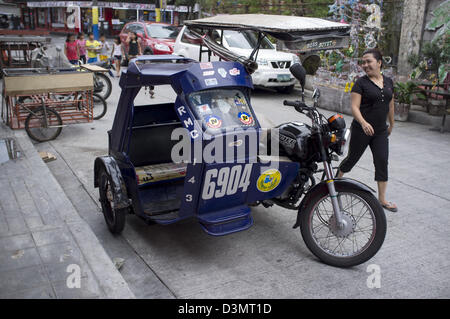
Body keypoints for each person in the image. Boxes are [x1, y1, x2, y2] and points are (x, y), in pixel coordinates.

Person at [337, 48, 397, 212]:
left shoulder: (389, 82)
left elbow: (390, 104)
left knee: (382, 161)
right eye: (363, 62)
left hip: (380, 131)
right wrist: (363, 122)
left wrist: (391, 124)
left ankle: (382, 199)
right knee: (352, 158)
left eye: (368, 61)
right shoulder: (361, 83)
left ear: (379, 63)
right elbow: (354, 107)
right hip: (361, 130)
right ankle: (335, 181)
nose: (365, 65)